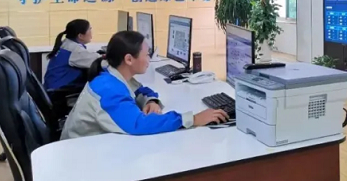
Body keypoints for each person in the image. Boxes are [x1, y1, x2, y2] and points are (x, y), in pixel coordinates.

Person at [61, 31, 228, 139]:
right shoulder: (109, 89)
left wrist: (151, 101)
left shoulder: (112, 74)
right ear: (128, 59)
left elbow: (140, 90)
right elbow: (139, 124)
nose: (149, 58)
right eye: (147, 54)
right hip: (80, 156)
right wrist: (193, 119)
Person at [44, 19, 101, 91]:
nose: (91, 32)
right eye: (89, 29)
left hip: (50, 87)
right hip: (59, 92)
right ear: (80, 36)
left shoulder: (66, 43)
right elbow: (98, 61)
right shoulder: (75, 50)